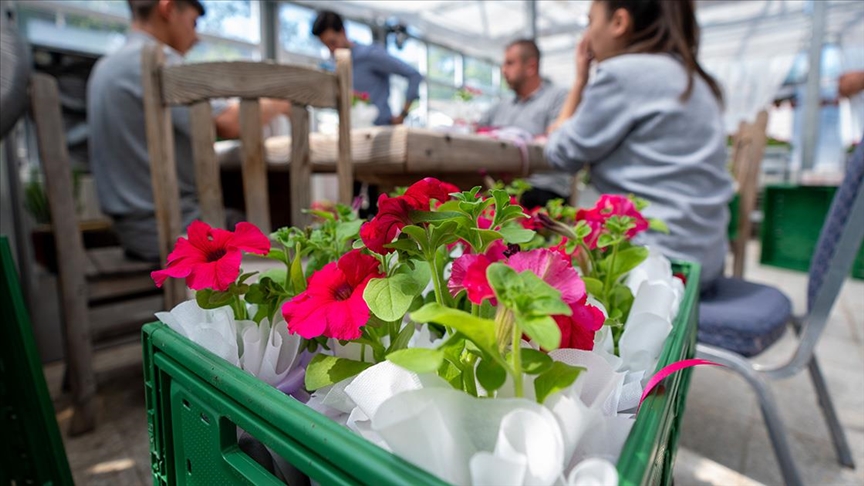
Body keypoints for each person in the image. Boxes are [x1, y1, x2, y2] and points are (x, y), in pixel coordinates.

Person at [544, 0, 734, 288]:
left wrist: (580, 80)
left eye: (590, 22)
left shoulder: (624, 74)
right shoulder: (696, 79)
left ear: (619, 22)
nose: (588, 36)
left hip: (656, 265)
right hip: (706, 259)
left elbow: (561, 153)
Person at [88, 0, 290, 262]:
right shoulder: (157, 61)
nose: (196, 37)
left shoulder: (105, 66)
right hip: (171, 227)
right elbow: (230, 122)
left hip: (131, 227)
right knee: (275, 228)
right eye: (193, 23)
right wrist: (282, 101)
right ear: (168, 8)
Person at [479, 39, 572, 209]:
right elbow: (476, 130)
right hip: (502, 187)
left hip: (542, 188)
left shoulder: (558, 97)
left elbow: (558, 141)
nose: (503, 70)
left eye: (510, 63)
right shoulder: (501, 106)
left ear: (531, 67)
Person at [312, 10, 423, 126]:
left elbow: (414, 75)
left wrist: (402, 115)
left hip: (380, 132)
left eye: (332, 42)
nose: (331, 50)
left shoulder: (370, 55)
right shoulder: (334, 65)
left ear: (343, 32)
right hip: (352, 132)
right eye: (326, 45)